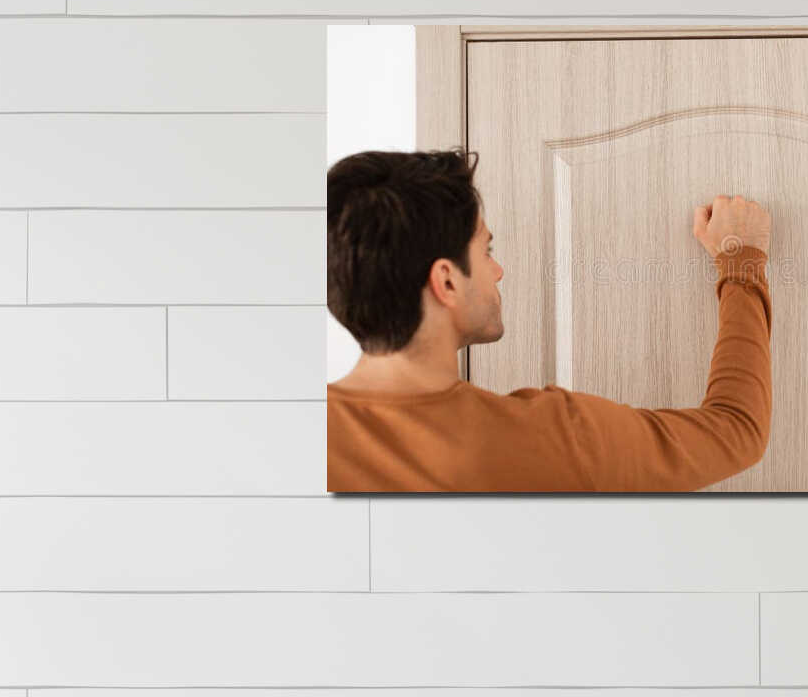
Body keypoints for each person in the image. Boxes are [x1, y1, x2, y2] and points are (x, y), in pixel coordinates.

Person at [325, 148, 773, 493]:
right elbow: (736, 429)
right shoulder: (551, 438)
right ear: (446, 281)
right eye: (486, 251)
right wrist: (740, 258)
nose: (497, 270)